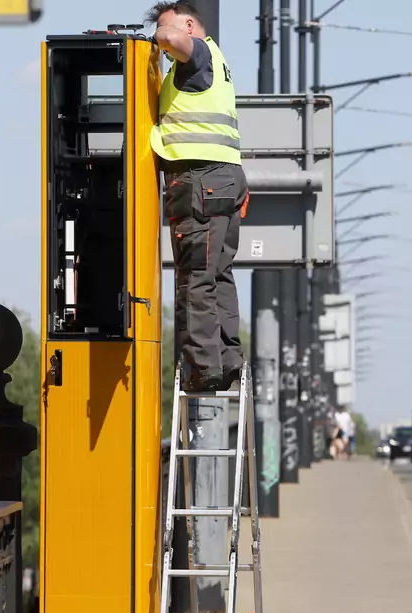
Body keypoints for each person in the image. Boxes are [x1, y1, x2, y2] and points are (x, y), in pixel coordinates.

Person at [146, 2, 248, 393]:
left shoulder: (199, 53)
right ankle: (227, 361)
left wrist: (155, 39)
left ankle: (204, 372)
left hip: (200, 181)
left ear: (189, 25)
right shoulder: (218, 63)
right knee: (218, 276)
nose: (164, 41)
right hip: (224, 178)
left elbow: (173, 38)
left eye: (167, 28)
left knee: (195, 280)